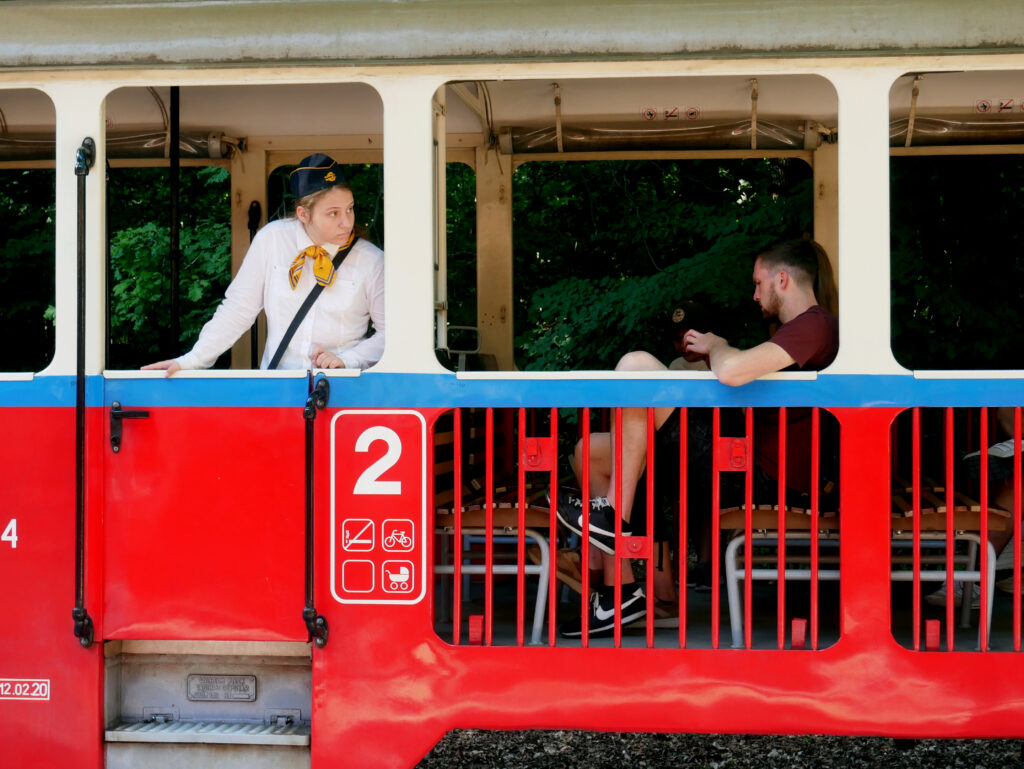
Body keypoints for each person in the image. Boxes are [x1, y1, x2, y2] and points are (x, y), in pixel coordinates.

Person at [555, 238, 838, 637]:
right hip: (738, 464)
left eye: (759, 283)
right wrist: (721, 353)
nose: (755, 294)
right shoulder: (795, 332)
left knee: (637, 366)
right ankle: (618, 592)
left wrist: (716, 346)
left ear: (782, 278)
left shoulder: (815, 324)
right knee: (592, 452)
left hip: (760, 479)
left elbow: (734, 371)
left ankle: (613, 519)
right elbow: (745, 368)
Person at [143, 154, 384, 375]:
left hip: (344, 393)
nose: (346, 222)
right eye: (333, 213)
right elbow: (238, 309)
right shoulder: (272, 240)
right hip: (278, 392)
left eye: (350, 209)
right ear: (303, 214)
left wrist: (348, 359)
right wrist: (191, 360)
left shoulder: (371, 260)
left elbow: (391, 334)